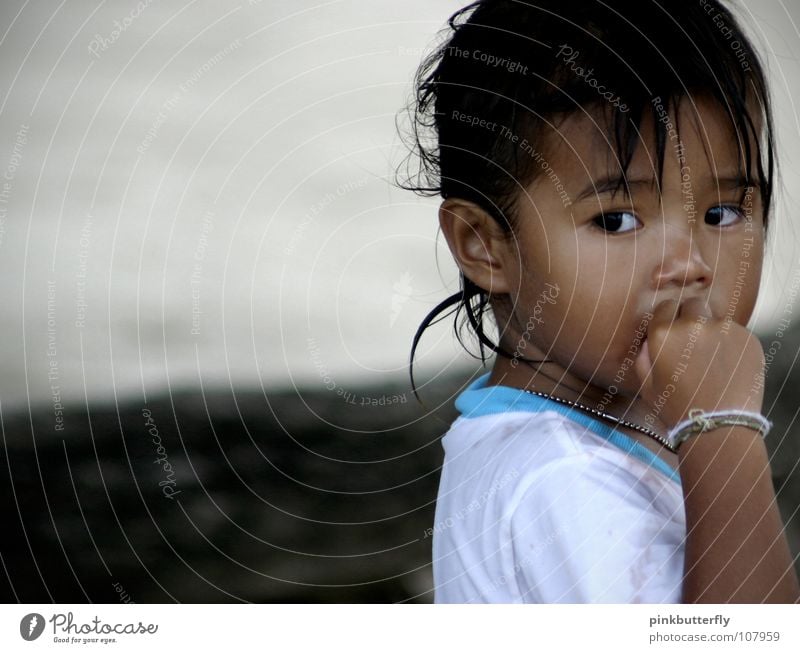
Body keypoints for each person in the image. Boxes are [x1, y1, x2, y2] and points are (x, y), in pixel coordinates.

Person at [401, 0, 800, 603]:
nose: (689, 265)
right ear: (485, 246)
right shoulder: (564, 479)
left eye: (722, 213)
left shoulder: (578, 435)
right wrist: (724, 433)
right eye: (616, 220)